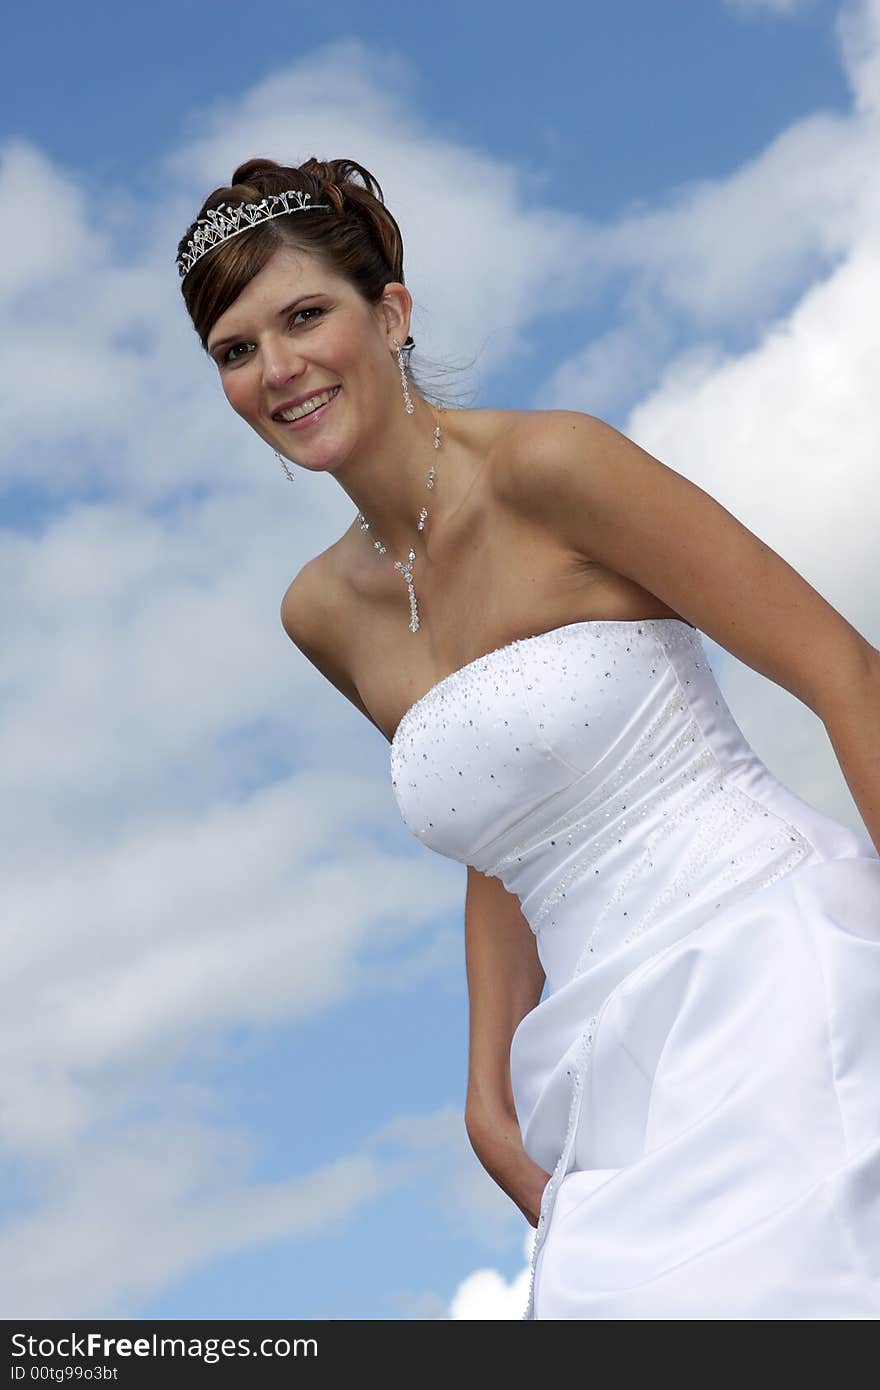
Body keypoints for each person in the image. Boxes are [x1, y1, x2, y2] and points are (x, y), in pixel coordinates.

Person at [177, 156, 880, 1320]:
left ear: (390, 313)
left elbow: (845, 674)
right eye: (236, 350)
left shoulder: (554, 467)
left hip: (769, 963)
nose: (276, 370)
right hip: (600, 1074)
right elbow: (500, 818)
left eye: (305, 316)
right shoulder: (322, 614)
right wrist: (485, 1095)